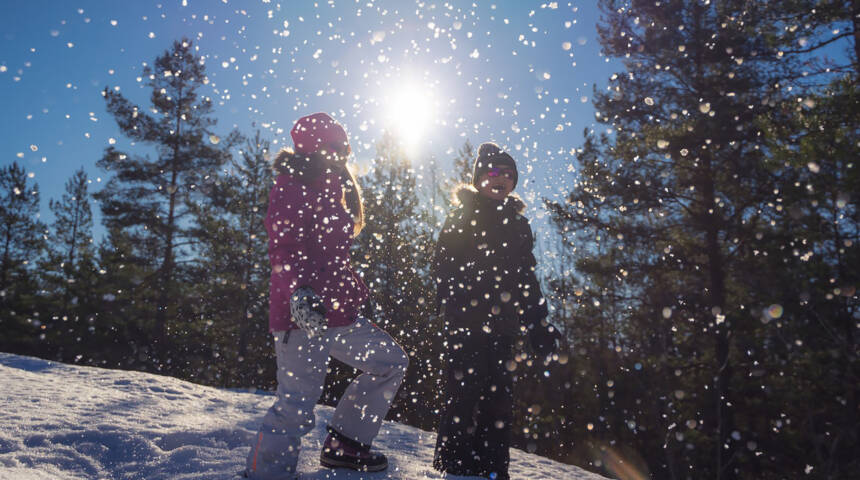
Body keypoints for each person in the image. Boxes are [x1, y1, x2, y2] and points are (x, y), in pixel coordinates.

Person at [246, 112, 408, 480]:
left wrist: (351, 291)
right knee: (297, 405)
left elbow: (333, 256)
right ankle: (265, 474)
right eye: (334, 146)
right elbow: (284, 248)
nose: (342, 153)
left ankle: (346, 444)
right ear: (314, 148)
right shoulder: (292, 184)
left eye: (345, 146)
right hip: (301, 313)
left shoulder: (337, 186)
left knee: (390, 362)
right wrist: (300, 292)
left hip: (337, 313)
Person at [432, 142, 562, 480]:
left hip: (504, 328)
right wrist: (449, 296)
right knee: (464, 392)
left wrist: (538, 324)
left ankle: (491, 466)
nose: (500, 178)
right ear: (478, 179)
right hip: (467, 323)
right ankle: (454, 464)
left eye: (508, 174)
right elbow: (443, 262)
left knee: (500, 399)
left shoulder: (519, 226)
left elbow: (527, 279)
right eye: (493, 172)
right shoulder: (463, 214)